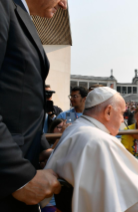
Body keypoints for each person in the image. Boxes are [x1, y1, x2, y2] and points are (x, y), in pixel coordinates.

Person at [43, 87, 138, 212]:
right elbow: (136, 199)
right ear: (108, 111)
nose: (123, 119)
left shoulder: (74, 129)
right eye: (122, 113)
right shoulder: (99, 141)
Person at [0, 0, 67, 211]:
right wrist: (19, 176)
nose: (64, 5)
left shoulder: (18, 13)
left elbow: (19, 105)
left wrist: (43, 150)